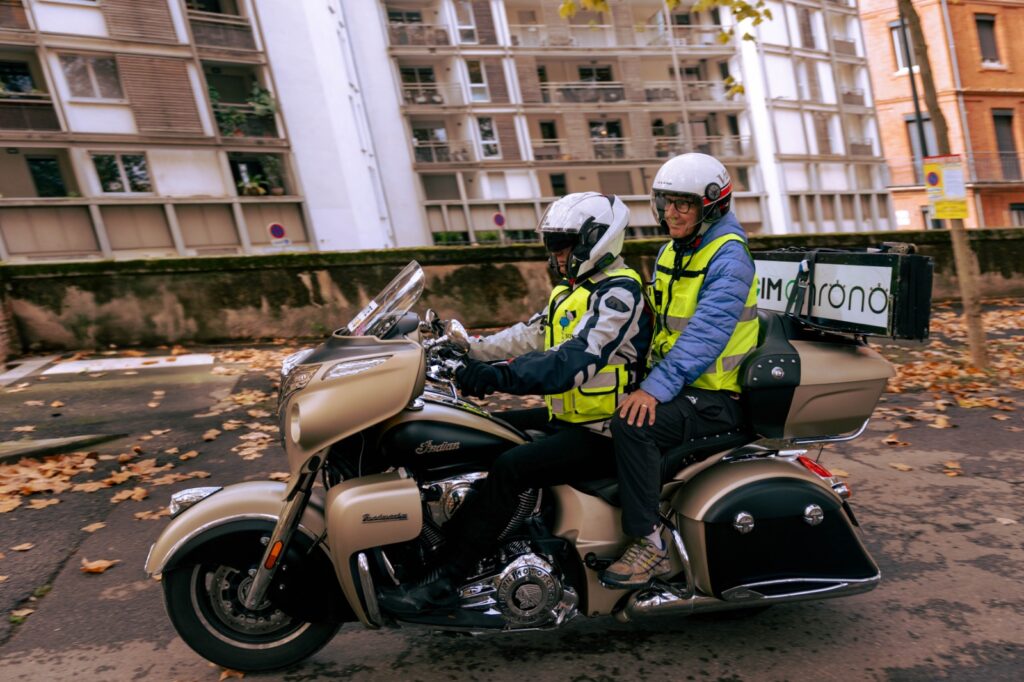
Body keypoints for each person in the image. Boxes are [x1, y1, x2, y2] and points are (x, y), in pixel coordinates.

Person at [379, 192, 653, 613]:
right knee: (481, 432)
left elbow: (573, 361)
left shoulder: (619, 294)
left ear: (595, 242)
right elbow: (528, 335)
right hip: (570, 418)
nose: (555, 254)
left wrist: (498, 377)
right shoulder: (573, 292)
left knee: (512, 466)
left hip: (606, 430)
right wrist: (466, 350)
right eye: (552, 244)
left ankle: (449, 578)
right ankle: (455, 547)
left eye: (562, 244)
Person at [600, 153, 759, 588]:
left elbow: (705, 334)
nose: (671, 213)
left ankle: (650, 544)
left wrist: (653, 390)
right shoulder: (674, 250)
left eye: (683, 204)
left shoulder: (729, 256)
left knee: (634, 424)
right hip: (682, 383)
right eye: (666, 202)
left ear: (713, 206)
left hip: (717, 395)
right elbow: (654, 321)